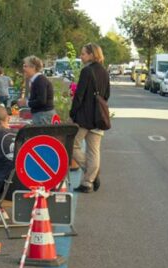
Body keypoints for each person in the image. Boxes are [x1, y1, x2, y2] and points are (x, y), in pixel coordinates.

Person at [69, 43, 109, 193]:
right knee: (94, 151)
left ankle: (91, 174)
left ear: (92, 55)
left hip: (84, 116)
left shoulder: (87, 71)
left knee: (72, 144)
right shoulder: (104, 72)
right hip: (99, 117)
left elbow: (79, 95)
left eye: (83, 54)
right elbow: (107, 95)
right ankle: (89, 180)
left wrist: (73, 114)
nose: (81, 56)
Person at [17, 56, 55, 125]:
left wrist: (26, 103)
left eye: (25, 66)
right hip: (42, 116)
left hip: (43, 116)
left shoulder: (40, 81)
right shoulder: (37, 80)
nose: (23, 69)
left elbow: (41, 101)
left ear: (33, 67)